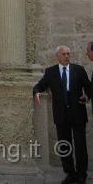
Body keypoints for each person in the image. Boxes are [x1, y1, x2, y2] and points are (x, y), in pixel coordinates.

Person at [33, 45, 91, 184]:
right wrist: (37, 92)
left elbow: (89, 87)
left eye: (68, 54)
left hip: (78, 113)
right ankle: (70, 173)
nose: (67, 56)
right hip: (61, 115)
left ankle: (81, 174)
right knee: (64, 145)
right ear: (57, 56)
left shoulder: (79, 70)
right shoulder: (50, 72)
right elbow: (40, 85)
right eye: (64, 54)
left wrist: (87, 96)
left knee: (80, 146)